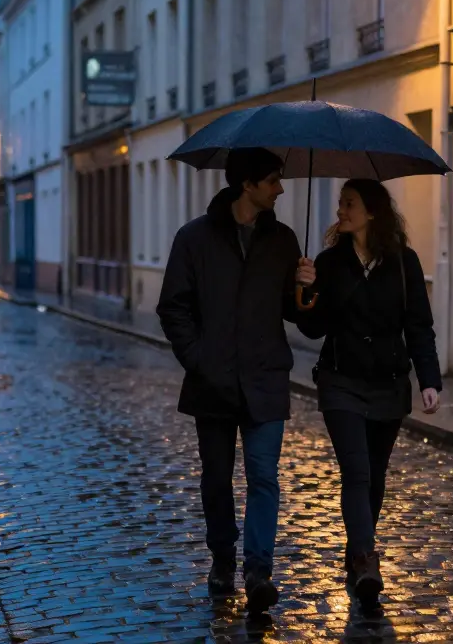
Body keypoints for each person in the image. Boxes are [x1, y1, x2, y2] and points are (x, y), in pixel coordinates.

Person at [156, 148, 317, 614]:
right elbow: (173, 308)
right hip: (214, 383)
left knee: (265, 477)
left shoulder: (284, 240)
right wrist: (199, 358)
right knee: (217, 479)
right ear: (248, 184)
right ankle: (223, 560)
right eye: (273, 181)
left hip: (266, 379)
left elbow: (299, 315)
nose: (281, 189)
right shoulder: (194, 239)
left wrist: (307, 286)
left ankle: (258, 569)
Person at [296, 178, 442, 613]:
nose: (341, 211)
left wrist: (429, 380)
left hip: (388, 384)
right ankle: (365, 560)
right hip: (340, 381)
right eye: (341, 203)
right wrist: (305, 289)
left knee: (375, 476)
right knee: (356, 471)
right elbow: (311, 327)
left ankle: (357, 551)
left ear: (372, 212)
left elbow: (419, 326)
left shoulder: (403, 263)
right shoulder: (328, 261)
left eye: (350, 204)